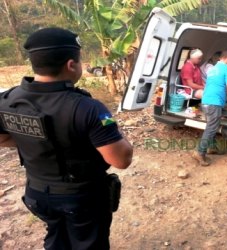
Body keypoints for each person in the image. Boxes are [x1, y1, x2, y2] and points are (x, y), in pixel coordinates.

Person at [0, 28, 133, 249]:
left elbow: (3, 140)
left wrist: (40, 141)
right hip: (82, 197)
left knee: (56, 237)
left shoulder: (6, 100)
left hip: (37, 194)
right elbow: (121, 159)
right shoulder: (89, 108)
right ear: (71, 65)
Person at [192, 51, 227, 166]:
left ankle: (211, 148)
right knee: (212, 127)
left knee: (211, 125)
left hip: (206, 100)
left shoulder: (212, 69)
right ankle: (199, 152)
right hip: (214, 102)